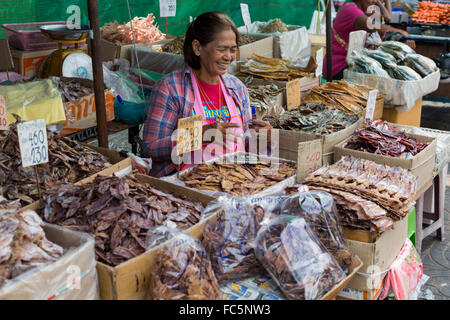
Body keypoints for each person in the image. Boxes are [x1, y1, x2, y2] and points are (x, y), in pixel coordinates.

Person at [142, 11, 272, 178]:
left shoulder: (237, 88)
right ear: (197, 47)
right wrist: (199, 135)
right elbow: (151, 147)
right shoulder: (171, 88)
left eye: (233, 50)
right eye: (221, 49)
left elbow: (244, 142)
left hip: (235, 181)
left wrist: (261, 138)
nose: (229, 57)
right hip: (188, 185)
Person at [324, 0, 416, 80]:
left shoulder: (364, 12)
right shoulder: (350, 10)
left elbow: (383, 24)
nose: (375, 1)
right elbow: (373, 26)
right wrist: (400, 32)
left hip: (351, 65)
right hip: (338, 68)